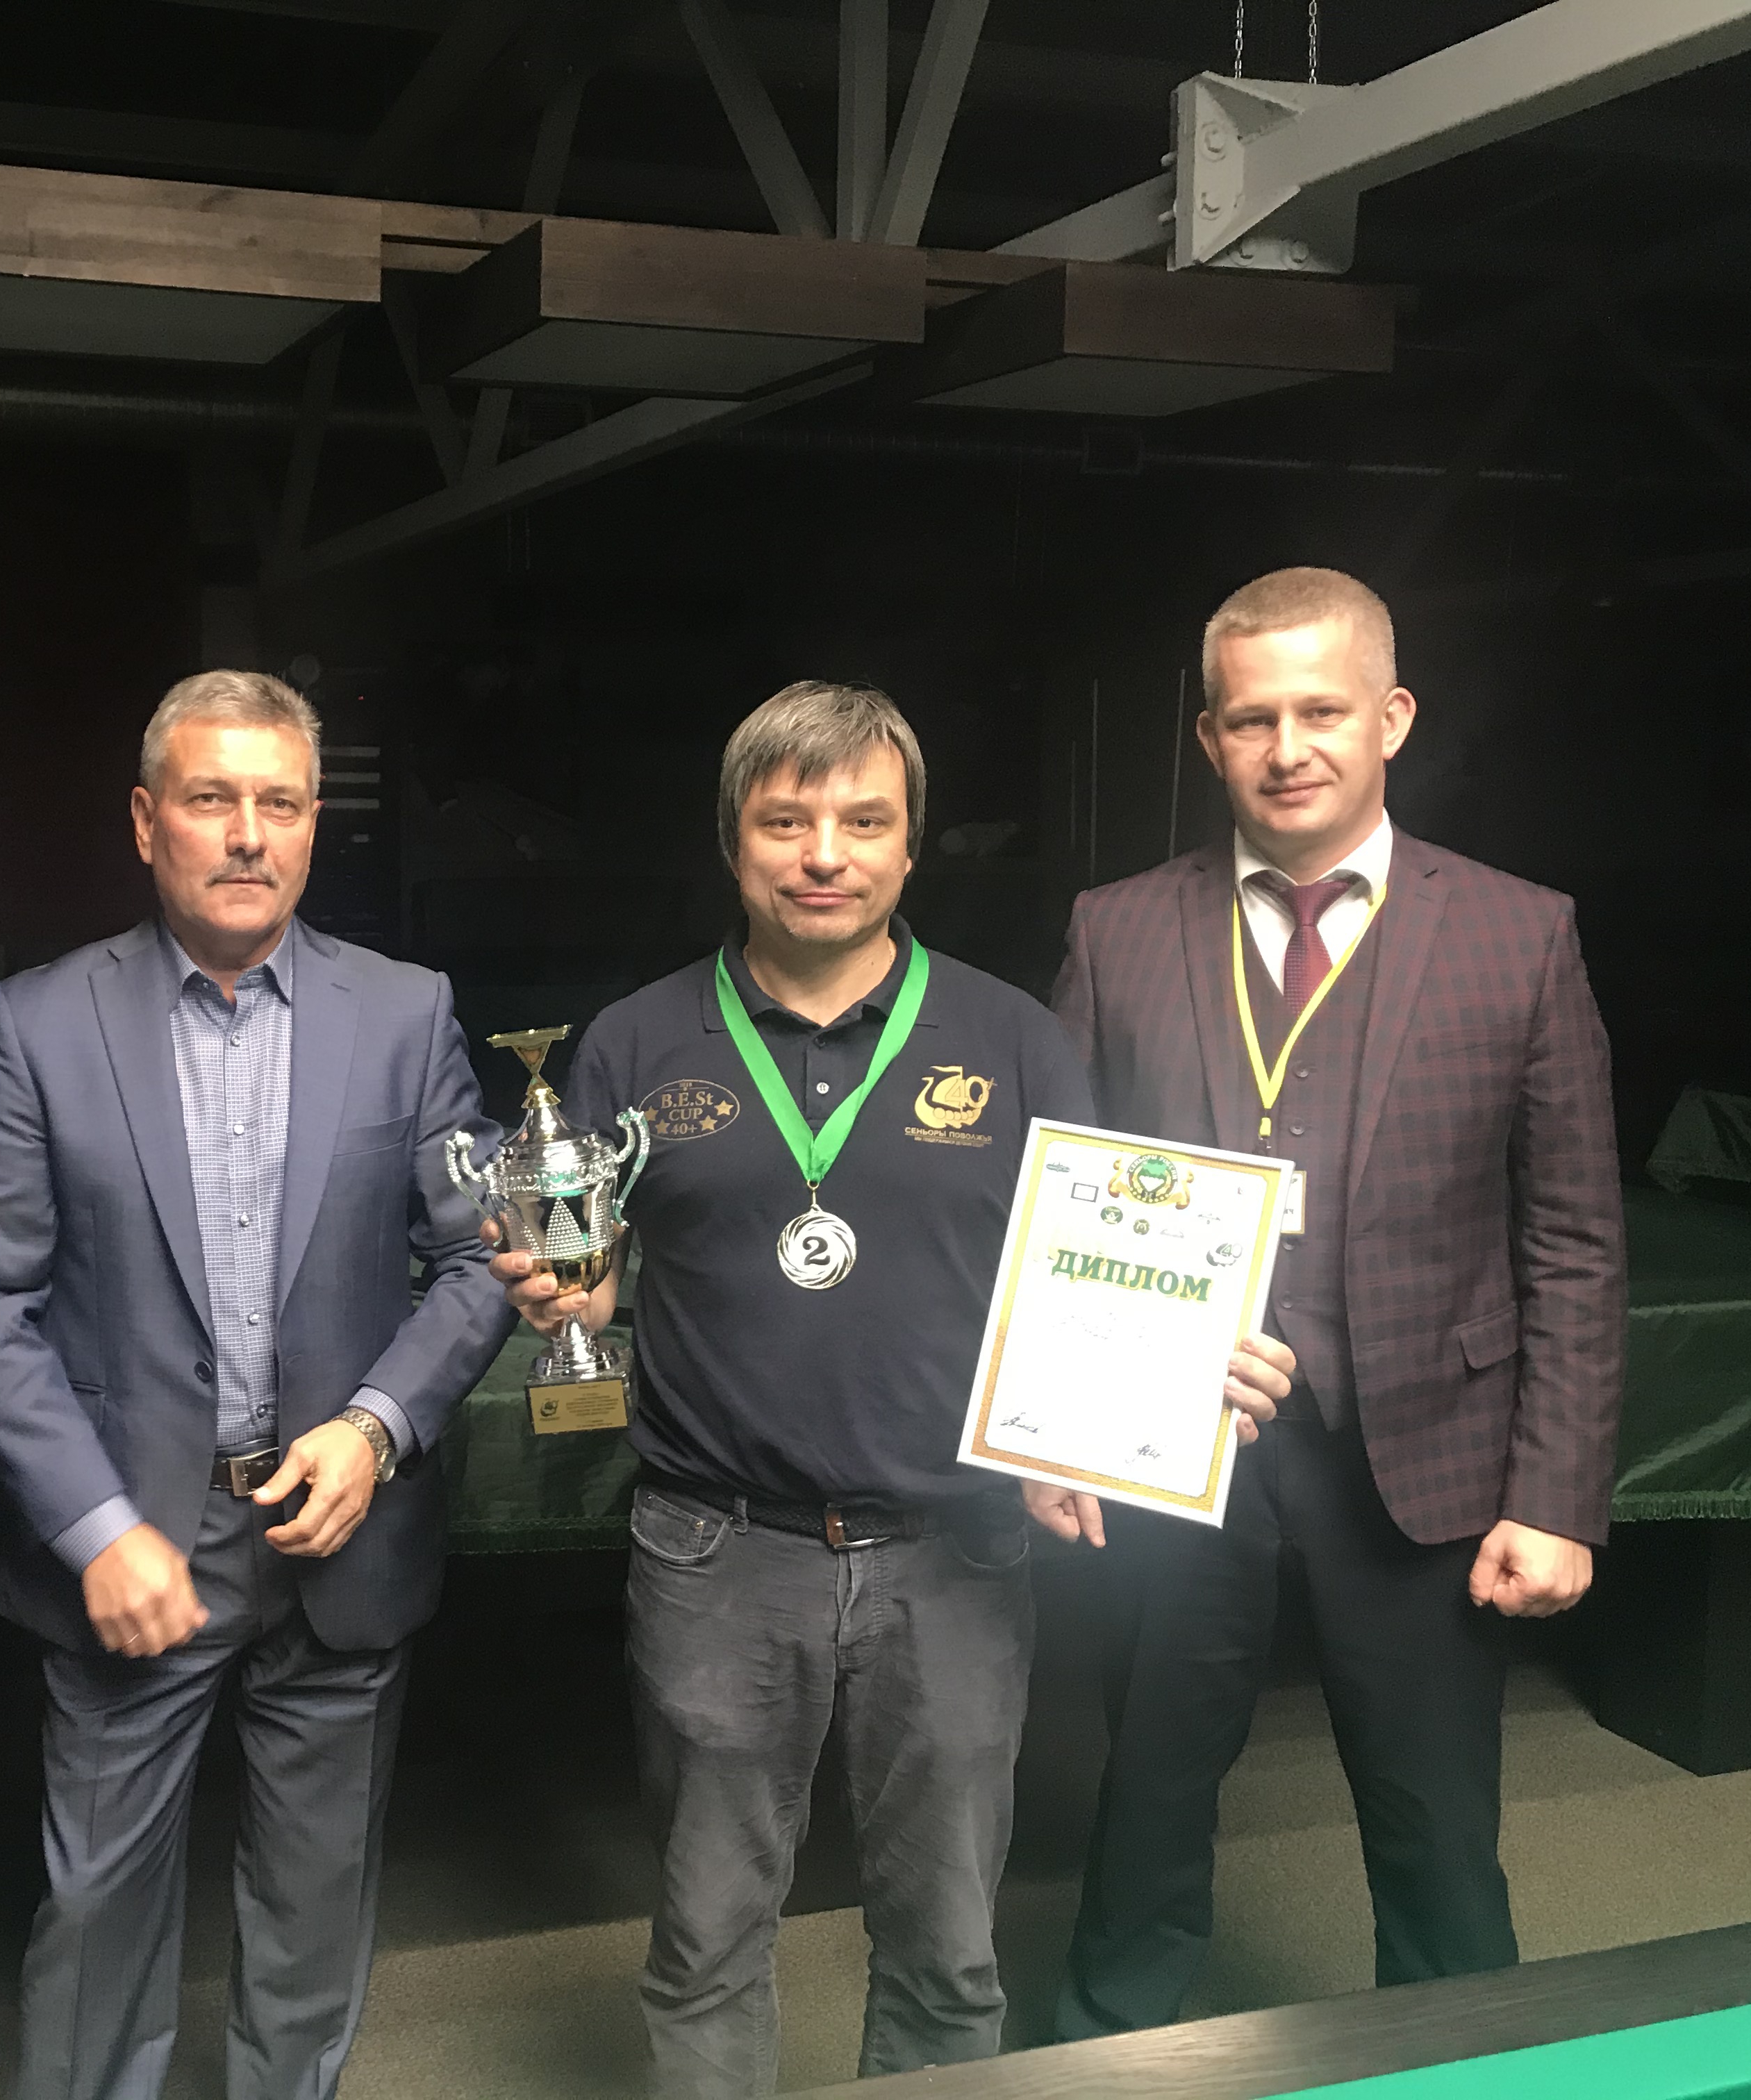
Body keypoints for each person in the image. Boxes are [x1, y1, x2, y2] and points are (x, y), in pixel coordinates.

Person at [495, 681, 1295, 2095]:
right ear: (732, 840)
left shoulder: (1012, 1036)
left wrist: (1189, 1355)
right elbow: (598, 1275)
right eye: (786, 820)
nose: (825, 853)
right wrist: (563, 1288)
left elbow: (1092, 1264)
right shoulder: (633, 1041)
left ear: (911, 846)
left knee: (947, 1946)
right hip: (715, 1550)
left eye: (864, 821)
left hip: (955, 1550)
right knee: (706, 1938)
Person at [1040, 566, 1627, 2036]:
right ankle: (1112, 2054)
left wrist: (1556, 1495)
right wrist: (1057, 1424)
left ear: (1392, 717)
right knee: (1145, 1806)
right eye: (1251, 719)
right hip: (1171, 1452)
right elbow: (1064, 1202)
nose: (1287, 747)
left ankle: (1461, 2063)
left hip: (1426, 1459)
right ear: (1208, 738)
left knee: (1437, 1834)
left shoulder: (1518, 932)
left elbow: (1573, 1239)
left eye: (1321, 711)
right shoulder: (1116, 929)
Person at [0, 670, 515, 2100]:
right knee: (98, 1913)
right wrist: (92, 1527)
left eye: (280, 802)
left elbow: (481, 1258)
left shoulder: (406, 1013)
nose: (248, 833)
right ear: (147, 822)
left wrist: (378, 1429)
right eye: (211, 799)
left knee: (315, 1911)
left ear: (313, 825)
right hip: (134, 1540)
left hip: (341, 1526)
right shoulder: (41, 1023)